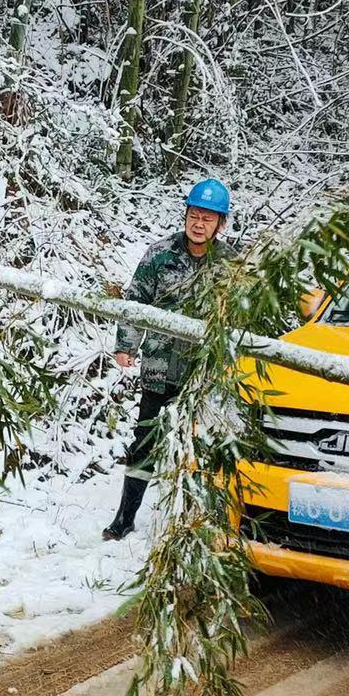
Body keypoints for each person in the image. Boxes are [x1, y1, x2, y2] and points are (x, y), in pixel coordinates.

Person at [104, 179, 235, 541]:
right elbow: (136, 302)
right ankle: (125, 517)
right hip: (160, 364)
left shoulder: (230, 264)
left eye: (208, 219)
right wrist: (126, 345)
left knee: (201, 443)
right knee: (146, 438)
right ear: (185, 215)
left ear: (220, 224)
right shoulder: (159, 255)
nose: (198, 224)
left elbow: (240, 318)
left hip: (204, 371)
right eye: (194, 215)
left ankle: (193, 520)